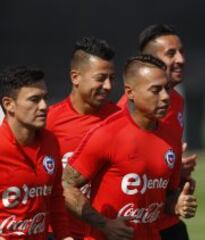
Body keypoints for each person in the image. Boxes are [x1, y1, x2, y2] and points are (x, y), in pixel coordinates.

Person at [62, 54, 197, 240]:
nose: (166, 97)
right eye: (156, 90)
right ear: (130, 92)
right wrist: (104, 224)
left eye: (166, 88)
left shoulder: (171, 138)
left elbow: (168, 196)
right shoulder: (107, 134)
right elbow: (65, 185)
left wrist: (177, 203)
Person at [117, 24, 197, 240]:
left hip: (168, 221)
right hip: (139, 227)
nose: (181, 59)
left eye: (181, 51)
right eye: (171, 53)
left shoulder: (177, 101)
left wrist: (177, 178)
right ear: (150, 61)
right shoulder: (126, 111)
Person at [46, 36, 119, 239]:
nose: (108, 86)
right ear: (75, 77)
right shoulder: (47, 124)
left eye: (112, 78)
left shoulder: (120, 120)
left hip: (108, 233)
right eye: (100, 78)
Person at [0, 65, 72, 239]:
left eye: (45, 98)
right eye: (34, 99)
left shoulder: (50, 141)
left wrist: (64, 236)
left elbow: (55, 197)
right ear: (9, 104)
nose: (44, 106)